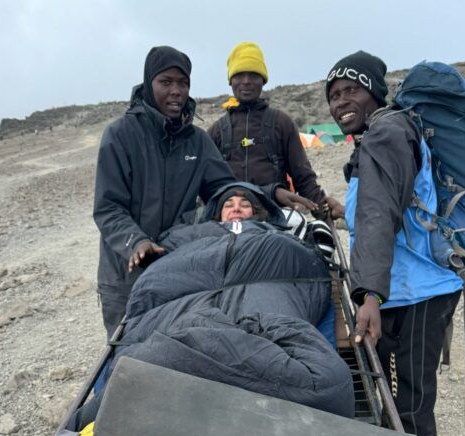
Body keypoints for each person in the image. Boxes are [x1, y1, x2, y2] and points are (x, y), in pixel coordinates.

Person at [325, 51, 464, 436]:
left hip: (416, 294)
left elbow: (380, 216)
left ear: (374, 93)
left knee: (409, 404)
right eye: (334, 95)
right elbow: (384, 211)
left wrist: (368, 295)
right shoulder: (381, 134)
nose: (341, 101)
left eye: (351, 90)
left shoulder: (385, 132)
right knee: (390, 395)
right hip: (401, 289)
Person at [94, 45, 308, 337]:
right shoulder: (120, 135)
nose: (176, 91)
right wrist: (136, 242)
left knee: (173, 346)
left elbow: (224, 189)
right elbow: (108, 207)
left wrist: (271, 193)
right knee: (127, 349)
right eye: (165, 82)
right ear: (148, 83)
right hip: (125, 272)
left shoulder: (197, 140)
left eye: (183, 83)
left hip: (179, 268)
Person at [208, 42, 344, 218]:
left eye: (254, 75)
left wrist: (324, 210)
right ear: (231, 81)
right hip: (231, 219)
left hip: (276, 218)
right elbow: (207, 187)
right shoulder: (217, 131)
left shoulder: (281, 123)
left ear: (263, 80)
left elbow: (303, 177)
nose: (247, 81)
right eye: (240, 75)